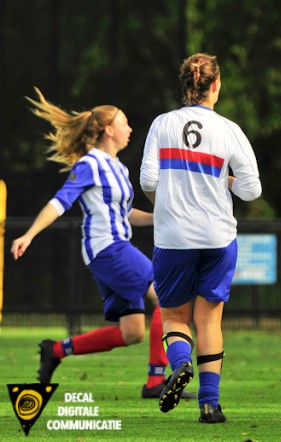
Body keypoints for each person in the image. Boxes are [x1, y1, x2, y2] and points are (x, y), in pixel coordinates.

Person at [10, 88, 194, 401]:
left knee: (132, 332)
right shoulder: (89, 164)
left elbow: (126, 214)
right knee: (167, 295)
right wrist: (29, 234)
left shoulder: (119, 168)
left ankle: (54, 350)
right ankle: (154, 382)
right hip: (108, 250)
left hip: (116, 249)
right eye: (124, 123)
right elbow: (60, 201)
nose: (130, 128)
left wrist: (162, 217)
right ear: (108, 130)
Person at [140, 52, 262, 424]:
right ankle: (210, 405)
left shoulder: (162, 124)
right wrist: (222, 180)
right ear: (216, 85)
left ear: (185, 86)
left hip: (174, 236)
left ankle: (179, 365)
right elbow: (252, 190)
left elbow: (148, 181)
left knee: (175, 315)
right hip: (218, 236)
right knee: (209, 321)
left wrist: (168, 206)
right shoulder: (229, 130)